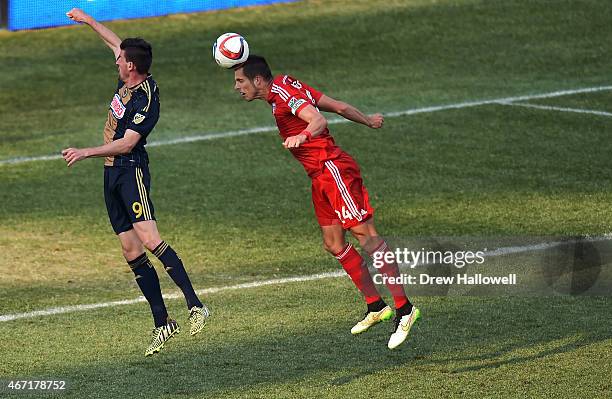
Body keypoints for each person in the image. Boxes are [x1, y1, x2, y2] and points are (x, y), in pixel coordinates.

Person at [232, 55, 420, 349]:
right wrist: (368, 120)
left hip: (333, 170)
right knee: (334, 243)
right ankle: (375, 306)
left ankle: (405, 309)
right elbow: (339, 106)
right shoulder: (283, 85)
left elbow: (318, 119)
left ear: (257, 81)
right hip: (320, 177)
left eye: (240, 81)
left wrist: (303, 136)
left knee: (367, 237)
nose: (236, 87)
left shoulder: (283, 95)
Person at [61, 8, 209, 356]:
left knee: (149, 238)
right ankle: (163, 323)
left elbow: (128, 142)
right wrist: (89, 21)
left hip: (130, 170)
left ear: (132, 66)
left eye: (121, 60)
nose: (116, 61)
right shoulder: (128, 76)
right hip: (111, 174)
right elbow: (115, 43)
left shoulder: (145, 99)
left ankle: (195, 305)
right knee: (130, 249)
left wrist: (85, 152)